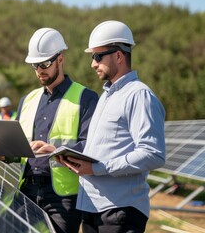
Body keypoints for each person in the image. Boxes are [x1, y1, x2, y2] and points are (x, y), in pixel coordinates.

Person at [57, 20, 166, 233]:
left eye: (98, 56)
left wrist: (97, 168)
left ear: (118, 55)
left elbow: (153, 154)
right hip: (93, 207)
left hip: (120, 211)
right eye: (92, 57)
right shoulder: (107, 96)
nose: (93, 63)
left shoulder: (139, 95)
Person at [2, 28, 98, 233]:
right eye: (35, 65)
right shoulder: (27, 100)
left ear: (60, 59)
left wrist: (54, 149)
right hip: (26, 189)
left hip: (63, 197)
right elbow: (20, 148)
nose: (39, 70)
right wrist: (6, 154)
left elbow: (91, 146)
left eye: (44, 64)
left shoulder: (86, 98)